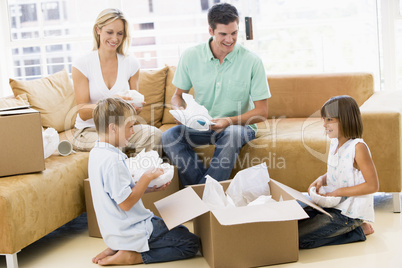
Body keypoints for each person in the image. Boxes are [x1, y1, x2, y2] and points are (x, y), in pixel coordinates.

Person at [161, 3, 271, 186]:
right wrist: (178, 110)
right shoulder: (191, 56)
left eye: (234, 33)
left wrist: (227, 121)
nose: (230, 39)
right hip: (202, 126)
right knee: (169, 136)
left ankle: (202, 196)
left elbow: (262, 112)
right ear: (210, 30)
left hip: (236, 127)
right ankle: (208, 193)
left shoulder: (252, 61)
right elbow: (177, 96)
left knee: (233, 134)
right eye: (223, 34)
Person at [88, 97, 200, 266]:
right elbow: (125, 203)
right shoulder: (114, 161)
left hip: (116, 230)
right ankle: (133, 256)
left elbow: (116, 193)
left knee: (179, 229)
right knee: (191, 243)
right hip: (132, 229)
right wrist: (147, 177)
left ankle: (117, 247)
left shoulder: (97, 153)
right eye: (130, 126)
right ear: (112, 128)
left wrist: (149, 188)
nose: (133, 132)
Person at [72, 8, 162, 156]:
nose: (115, 38)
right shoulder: (82, 63)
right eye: (110, 32)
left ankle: (141, 175)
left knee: (154, 134)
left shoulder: (131, 63)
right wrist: (113, 103)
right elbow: (82, 112)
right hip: (88, 131)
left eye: (120, 33)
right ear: (98, 30)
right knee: (113, 141)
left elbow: (134, 109)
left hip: (121, 128)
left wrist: (134, 108)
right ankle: (123, 177)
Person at [298, 95, 379, 249]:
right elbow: (340, 172)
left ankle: (358, 231)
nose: (324, 124)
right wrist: (322, 180)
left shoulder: (358, 148)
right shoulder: (335, 143)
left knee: (296, 239)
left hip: (348, 215)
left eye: (329, 120)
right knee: (293, 223)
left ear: (345, 120)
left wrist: (339, 192)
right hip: (332, 206)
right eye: (324, 119)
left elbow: (373, 186)